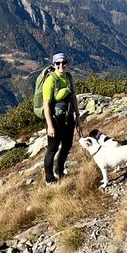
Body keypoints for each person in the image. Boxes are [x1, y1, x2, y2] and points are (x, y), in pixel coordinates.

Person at [43, 52, 80, 185]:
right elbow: (46, 105)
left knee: (67, 145)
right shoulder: (50, 80)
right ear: (54, 65)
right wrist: (50, 125)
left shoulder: (68, 77)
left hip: (68, 118)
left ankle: (60, 170)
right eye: (58, 63)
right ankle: (49, 178)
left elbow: (73, 97)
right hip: (55, 120)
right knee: (52, 149)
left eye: (64, 63)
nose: (61, 66)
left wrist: (78, 116)